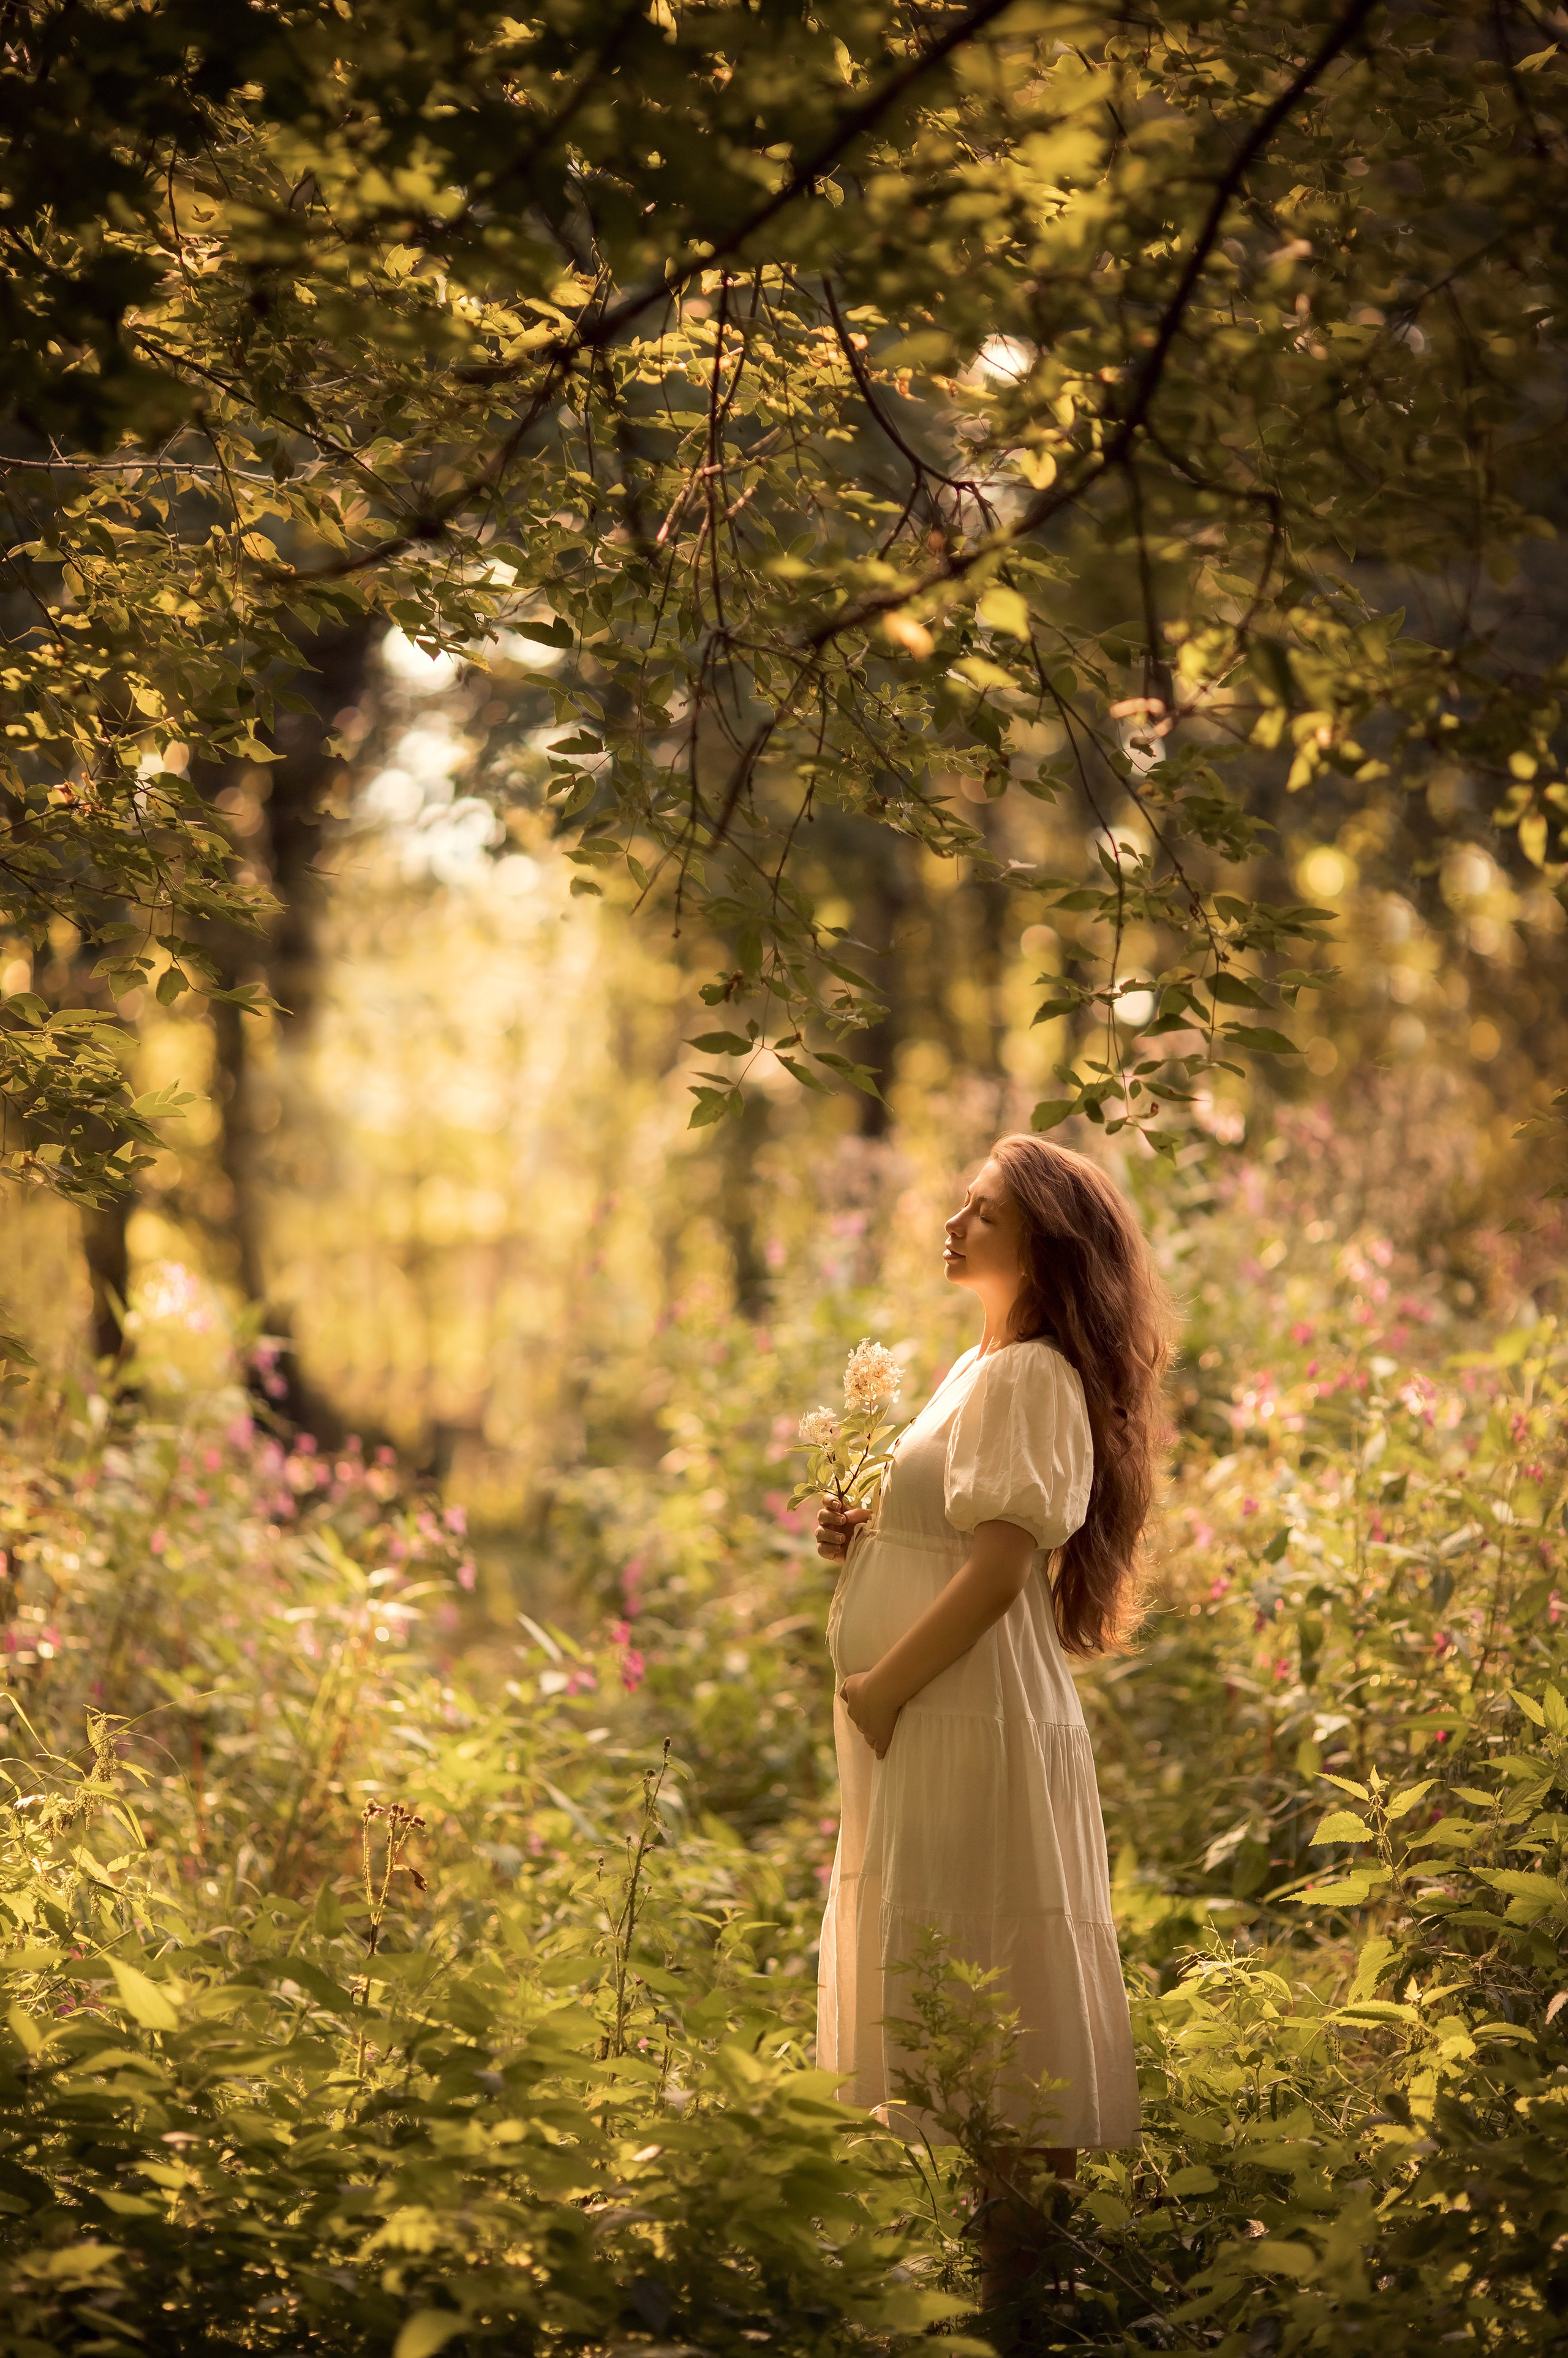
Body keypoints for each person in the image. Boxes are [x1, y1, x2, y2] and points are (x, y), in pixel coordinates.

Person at [814, 1133, 1168, 2306]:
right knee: (970, 1987)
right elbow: (957, 1541)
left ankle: (1030, 2303)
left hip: (965, 1716)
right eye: (961, 1204)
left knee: (997, 1995)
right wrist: (870, 1539)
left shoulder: (1026, 1374)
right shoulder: (980, 1365)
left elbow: (1001, 1570)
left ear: (1045, 1250)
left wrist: (884, 1689)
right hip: (943, 1719)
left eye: (984, 1213)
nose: (954, 1225)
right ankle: (1008, 2294)